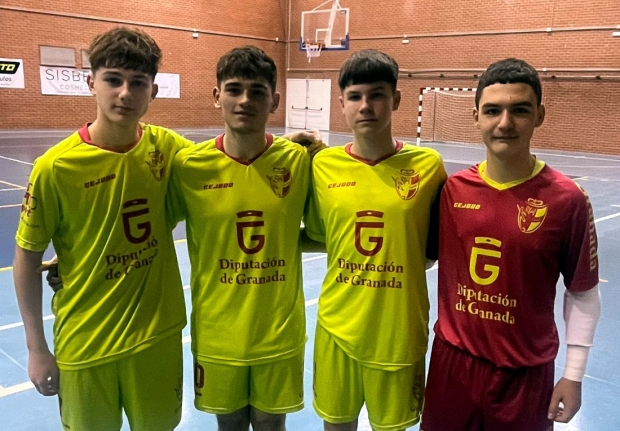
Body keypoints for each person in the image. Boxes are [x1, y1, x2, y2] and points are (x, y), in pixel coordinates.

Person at [13, 27, 191, 430]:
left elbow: (228, 162)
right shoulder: (55, 168)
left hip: (156, 338)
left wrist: (290, 146)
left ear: (153, 92)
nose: (125, 93)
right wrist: (36, 347)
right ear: (92, 83)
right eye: (113, 80)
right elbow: (26, 258)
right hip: (86, 344)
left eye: (138, 83)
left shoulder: (169, 150)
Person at [421, 58, 601, 431]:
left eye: (519, 110)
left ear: (540, 115)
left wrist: (574, 374)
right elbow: (418, 257)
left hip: (525, 377)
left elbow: (582, 292)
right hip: (452, 367)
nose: (505, 123)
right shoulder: (452, 191)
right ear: (476, 117)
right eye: (492, 111)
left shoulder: (567, 199)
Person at [167, 46, 315, 431]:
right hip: (218, 335)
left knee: (271, 426)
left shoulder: (300, 160)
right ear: (217, 96)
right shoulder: (189, 166)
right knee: (229, 426)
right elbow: (143, 230)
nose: (245, 100)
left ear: (275, 100)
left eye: (257, 91)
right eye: (234, 89)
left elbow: (328, 228)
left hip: (278, 333)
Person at [303, 49, 446, 431]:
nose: (366, 106)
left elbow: (429, 251)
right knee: (336, 425)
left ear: (396, 99)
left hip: (399, 333)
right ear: (341, 103)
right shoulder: (322, 166)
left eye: (377, 94)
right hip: (337, 328)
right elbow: (321, 236)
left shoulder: (428, 167)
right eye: (355, 96)